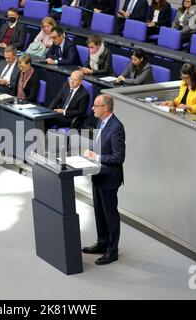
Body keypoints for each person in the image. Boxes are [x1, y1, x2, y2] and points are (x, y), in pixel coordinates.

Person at [82, 94, 125, 265]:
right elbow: (99, 145)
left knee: (110, 214)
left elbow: (119, 157)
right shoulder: (102, 122)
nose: (92, 108)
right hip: (98, 174)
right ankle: (102, 243)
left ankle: (112, 251)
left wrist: (96, 156)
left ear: (105, 108)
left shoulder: (116, 127)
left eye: (96, 105)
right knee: (99, 212)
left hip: (109, 177)